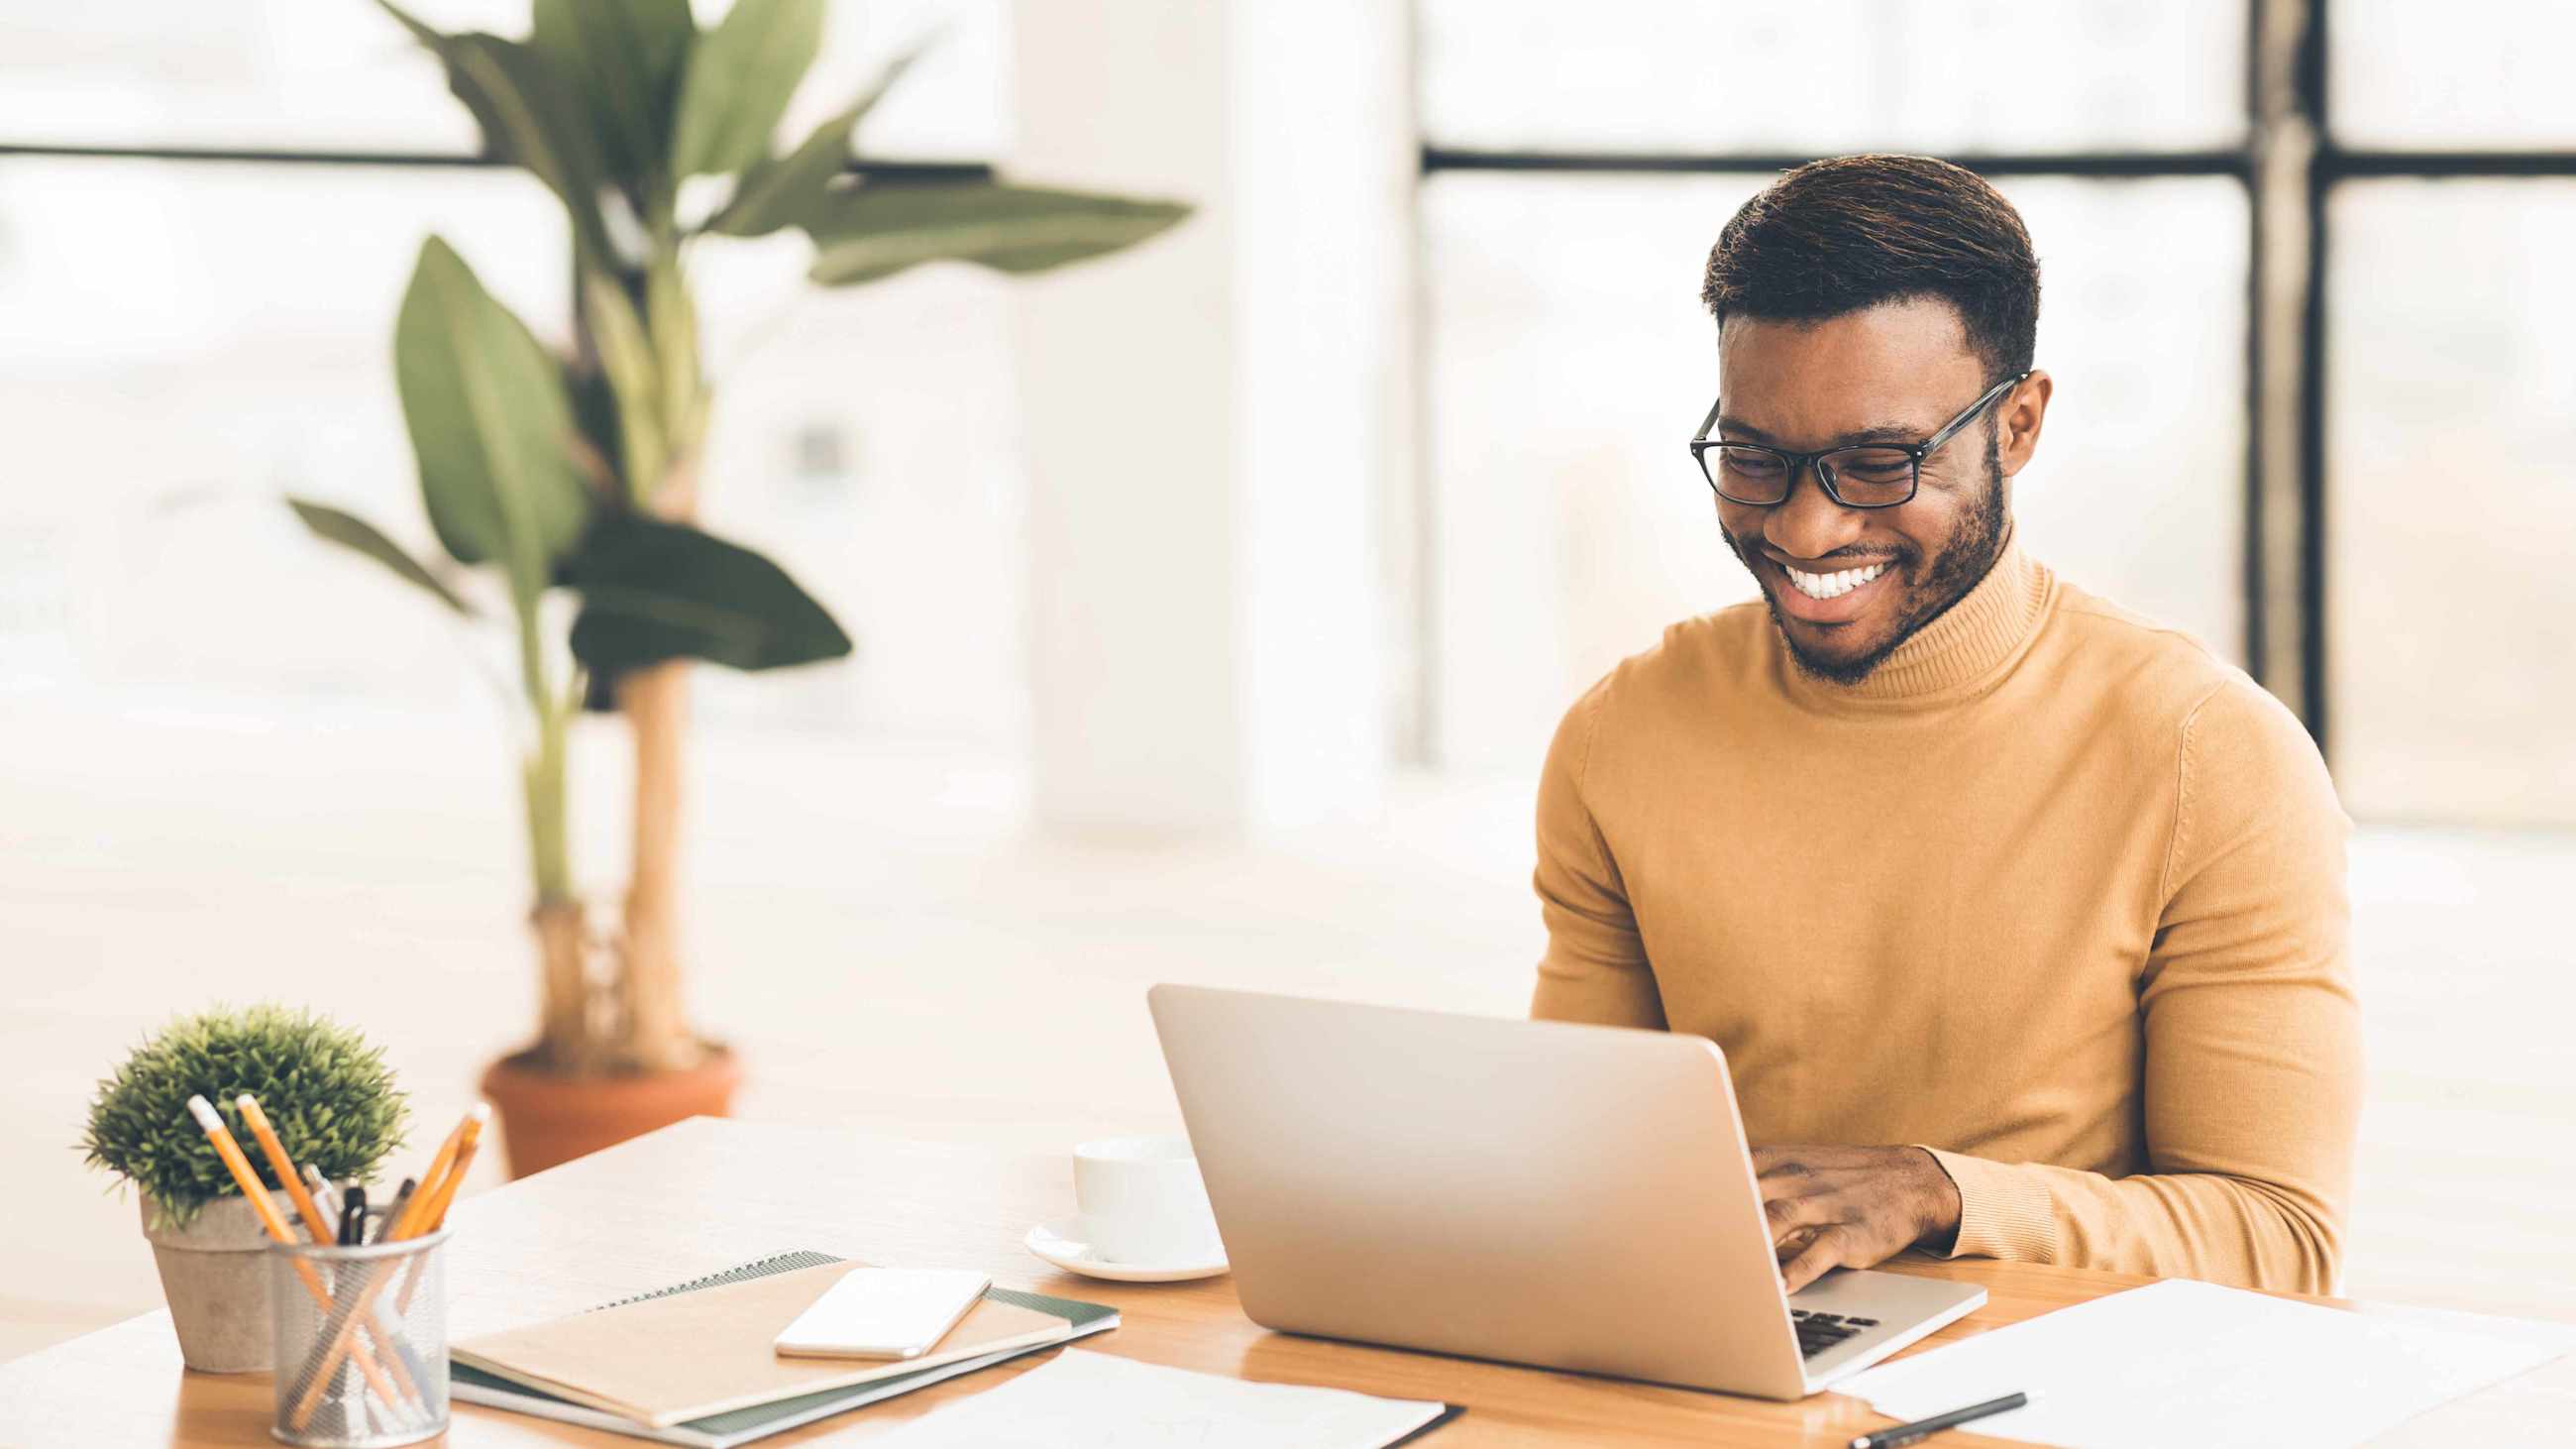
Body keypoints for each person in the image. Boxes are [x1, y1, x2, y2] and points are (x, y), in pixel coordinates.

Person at [1529, 155, 2360, 1296]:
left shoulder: (2207, 754)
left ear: (2015, 425)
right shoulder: (1619, 737)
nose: (1807, 529)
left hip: (2060, 1380)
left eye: (1877, 463)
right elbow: (1573, 1160)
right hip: (1722, 1357)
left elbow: (2277, 1239)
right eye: (1756, 458)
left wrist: (1940, 1191)